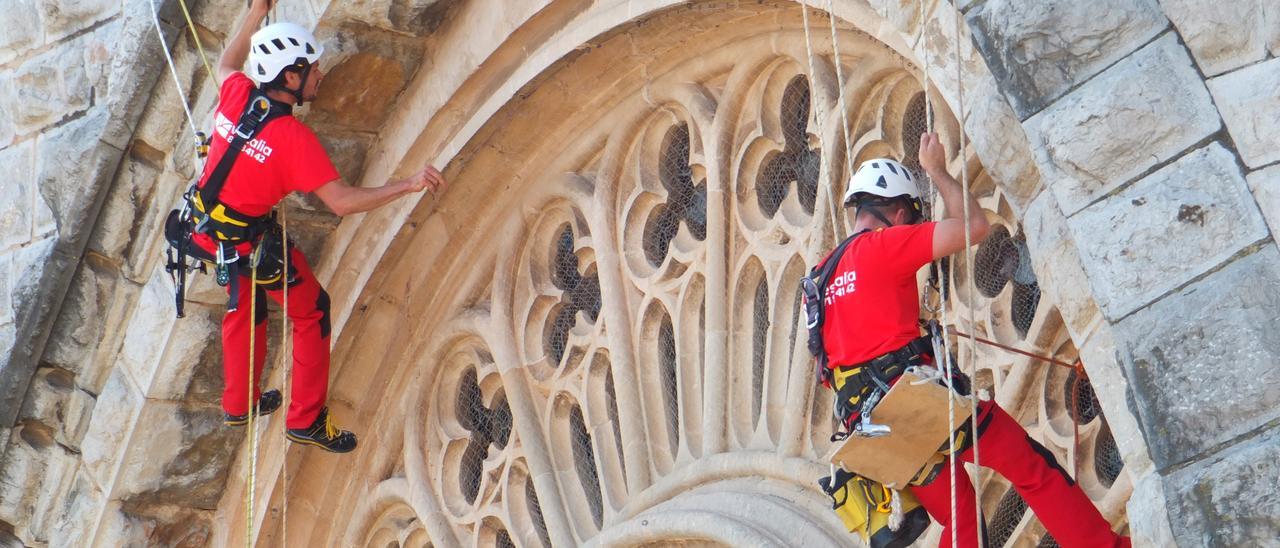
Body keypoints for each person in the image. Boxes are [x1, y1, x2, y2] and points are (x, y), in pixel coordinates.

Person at [815, 133, 1127, 547]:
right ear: (896, 210)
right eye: (909, 216)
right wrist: (938, 170)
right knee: (1032, 468)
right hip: (911, 401)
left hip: (872, 425)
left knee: (962, 521)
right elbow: (974, 228)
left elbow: (830, 364)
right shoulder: (881, 245)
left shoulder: (817, 280)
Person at [188, 0, 445, 453]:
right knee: (312, 311)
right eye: (312, 69)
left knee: (243, 304)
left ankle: (239, 404)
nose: (320, 76)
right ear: (290, 77)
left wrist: (254, 14)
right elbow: (342, 202)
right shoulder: (292, 140)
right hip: (250, 241)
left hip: (207, 230)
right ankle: (305, 419)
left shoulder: (238, 95)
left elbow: (227, 62)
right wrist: (406, 185)